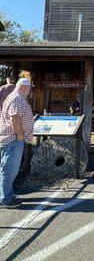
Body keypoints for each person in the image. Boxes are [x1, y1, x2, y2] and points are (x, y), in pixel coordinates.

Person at [0, 78, 34, 208]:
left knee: (9, 168)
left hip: (10, 138)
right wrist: (20, 135)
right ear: (25, 87)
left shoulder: (14, 96)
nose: (30, 90)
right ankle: (6, 199)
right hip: (13, 139)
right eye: (30, 87)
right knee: (9, 169)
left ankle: (7, 194)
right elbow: (15, 118)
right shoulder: (18, 98)